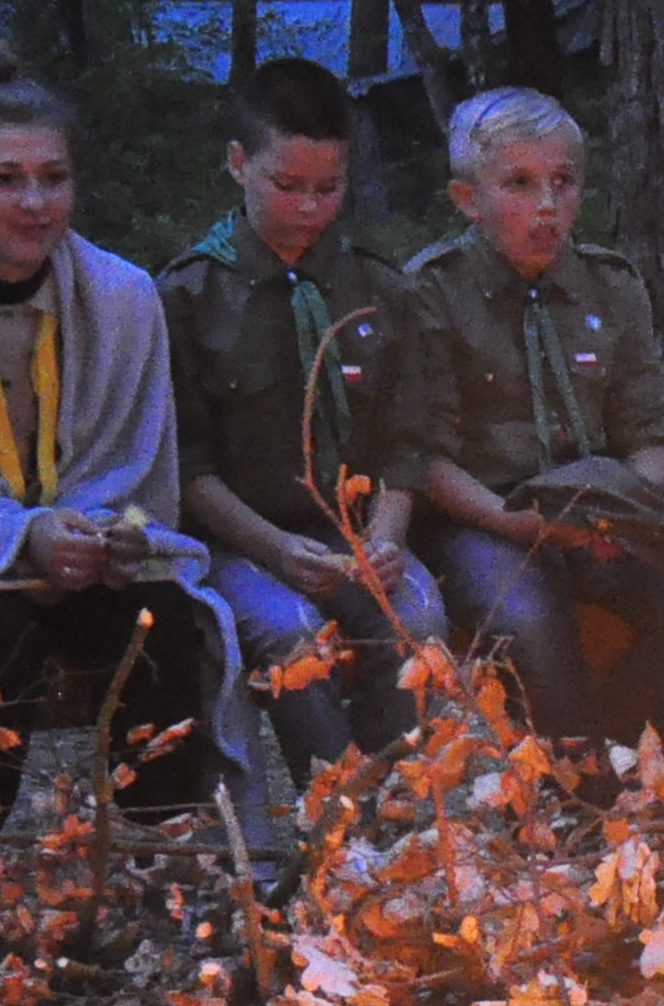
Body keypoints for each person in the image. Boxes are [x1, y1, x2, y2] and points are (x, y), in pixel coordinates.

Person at [0, 48, 245, 825]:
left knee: (161, 621)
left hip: (93, 554)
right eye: (5, 179)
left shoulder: (125, 299)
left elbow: (143, 485)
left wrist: (119, 538)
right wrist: (19, 537)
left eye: (54, 178)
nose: (35, 202)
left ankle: (175, 858)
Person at [396, 88, 664, 766]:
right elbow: (426, 457)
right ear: (469, 198)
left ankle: (613, 752)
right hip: (484, 517)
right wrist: (515, 521)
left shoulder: (609, 285)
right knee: (530, 619)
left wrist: (620, 509)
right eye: (519, 185)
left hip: (602, 508)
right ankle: (583, 798)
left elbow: (651, 434)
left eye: (563, 182)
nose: (547, 206)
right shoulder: (432, 292)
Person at [156, 56, 449, 781]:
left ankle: (401, 811)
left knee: (416, 621)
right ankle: (335, 820)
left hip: (352, 531)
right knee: (292, 635)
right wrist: (277, 548)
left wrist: (385, 539)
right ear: (238, 164)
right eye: (287, 187)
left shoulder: (378, 288)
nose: (310, 209)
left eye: (329, 189)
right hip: (239, 541)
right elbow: (186, 469)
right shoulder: (188, 297)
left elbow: (404, 444)